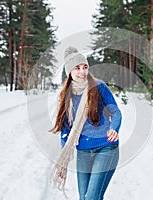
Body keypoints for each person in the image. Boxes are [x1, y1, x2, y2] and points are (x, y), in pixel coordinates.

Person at [50, 46, 122, 200]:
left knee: (91, 197)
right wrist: (64, 156)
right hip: (83, 151)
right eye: (77, 68)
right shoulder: (65, 96)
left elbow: (115, 112)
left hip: (106, 147)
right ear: (69, 71)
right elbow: (65, 130)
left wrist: (114, 129)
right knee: (84, 197)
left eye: (85, 67)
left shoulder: (99, 87)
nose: (82, 72)